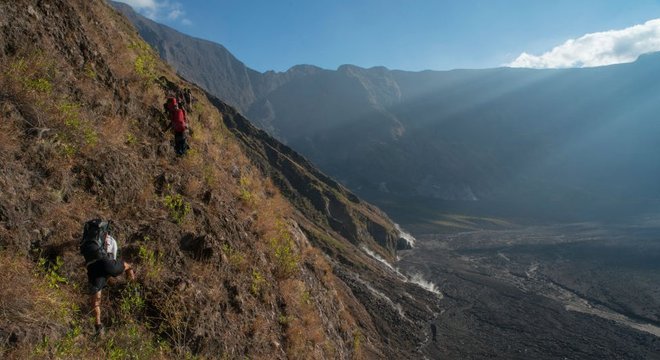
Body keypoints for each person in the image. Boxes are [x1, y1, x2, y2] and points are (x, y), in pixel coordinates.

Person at [81, 220, 135, 335]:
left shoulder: (88, 240)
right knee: (120, 266)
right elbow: (113, 258)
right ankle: (130, 272)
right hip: (104, 263)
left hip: (92, 267)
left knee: (95, 298)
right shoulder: (111, 240)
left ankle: (98, 326)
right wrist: (113, 270)